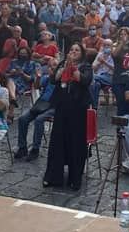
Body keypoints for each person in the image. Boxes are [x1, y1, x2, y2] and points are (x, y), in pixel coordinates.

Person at [43, 43, 92, 190]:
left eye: (77, 50)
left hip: (78, 109)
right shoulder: (63, 63)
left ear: (82, 53)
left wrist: (73, 68)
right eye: (72, 50)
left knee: (76, 143)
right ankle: (53, 176)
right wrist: (64, 67)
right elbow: (54, 79)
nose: (74, 52)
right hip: (62, 107)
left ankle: (75, 178)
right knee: (57, 141)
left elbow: (84, 80)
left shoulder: (86, 66)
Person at [14, 58, 58, 160]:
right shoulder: (47, 78)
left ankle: (35, 149)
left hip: (54, 106)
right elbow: (37, 87)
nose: (51, 68)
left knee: (39, 120)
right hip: (41, 104)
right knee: (22, 119)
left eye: (54, 65)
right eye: (50, 66)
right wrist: (38, 77)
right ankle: (22, 147)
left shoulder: (61, 79)